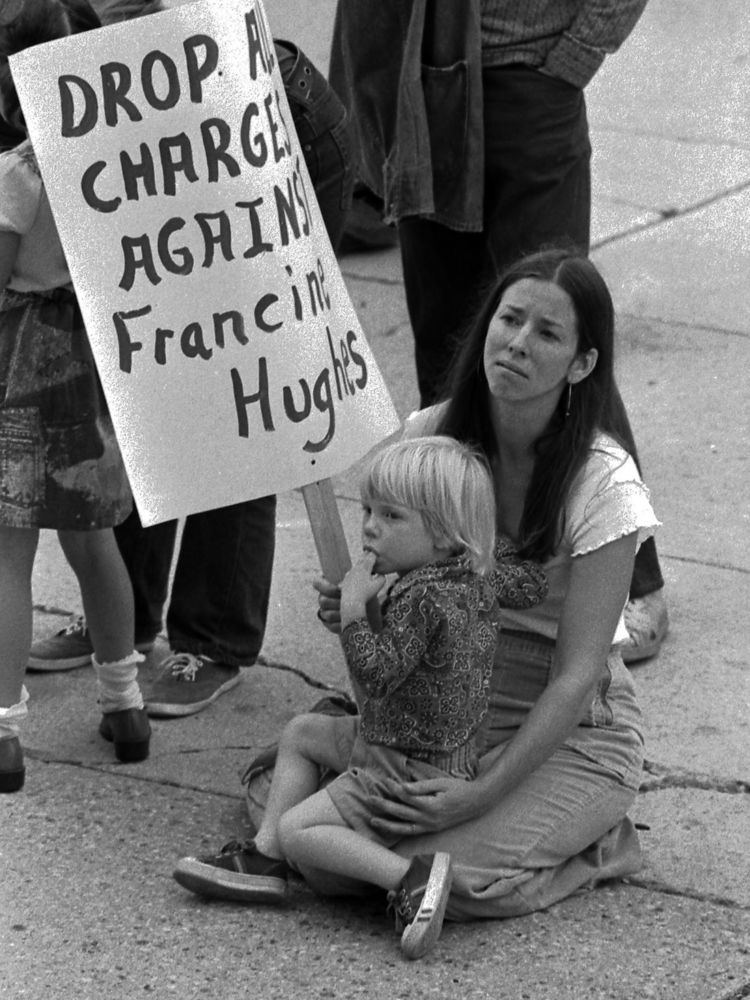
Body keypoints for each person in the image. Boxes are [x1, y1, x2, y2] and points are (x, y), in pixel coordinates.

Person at [305, 248, 656, 921]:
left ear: (582, 364)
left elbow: (578, 675)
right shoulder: (429, 435)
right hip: (450, 711)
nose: (518, 344)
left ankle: (598, 844)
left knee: (449, 881)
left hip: (572, 729)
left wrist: (484, 793)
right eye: (510, 320)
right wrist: (354, 610)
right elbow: (395, 601)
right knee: (328, 862)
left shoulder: (603, 483)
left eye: (547, 334)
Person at [26, 11, 355, 717]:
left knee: (237, 377)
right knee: (142, 370)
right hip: (128, 128)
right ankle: (125, 613)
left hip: (239, 121)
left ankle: (213, 634)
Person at [328, 0, 669, 663]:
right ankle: (458, 569)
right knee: (453, 347)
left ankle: (632, 579)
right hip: (417, 81)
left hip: (525, 80)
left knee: (552, 340)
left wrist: (568, 61)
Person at [173, 435, 548, 958]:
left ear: (444, 535)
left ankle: (412, 880)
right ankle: (263, 862)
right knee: (303, 733)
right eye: (368, 509)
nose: (370, 525)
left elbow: (375, 674)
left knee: (298, 829)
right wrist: (493, 546)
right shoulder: (472, 574)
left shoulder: (423, 596)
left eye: (392, 516)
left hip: (402, 765)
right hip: (432, 744)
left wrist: (352, 610)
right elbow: (532, 584)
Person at [0, 0, 149, 794]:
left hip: (20, 370)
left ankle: (3, 729)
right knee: (95, 542)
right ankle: (125, 704)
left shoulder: (16, 175)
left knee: (8, 551)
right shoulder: (111, 171)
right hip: (90, 370)